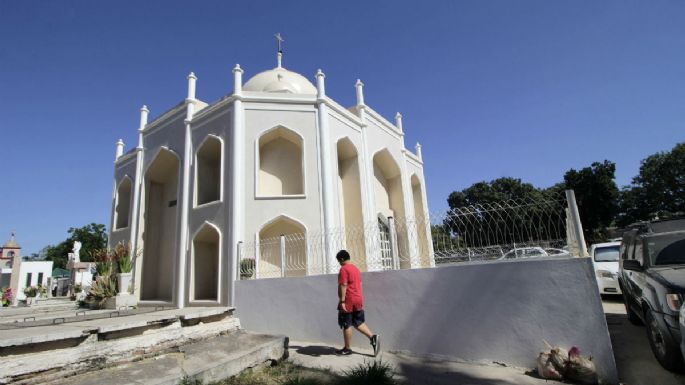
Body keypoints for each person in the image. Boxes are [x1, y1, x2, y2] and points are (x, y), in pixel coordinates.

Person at [335, 249, 380, 356]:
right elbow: (359, 284)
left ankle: (347, 348)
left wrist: (342, 301)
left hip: (348, 299)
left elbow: (343, 285)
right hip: (358, 298)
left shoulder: (344, 269)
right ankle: (373, 337)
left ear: (341, 259)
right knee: (358, 322)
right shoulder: (356, 269)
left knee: (346, 323)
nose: (339, 263)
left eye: (339, 261)